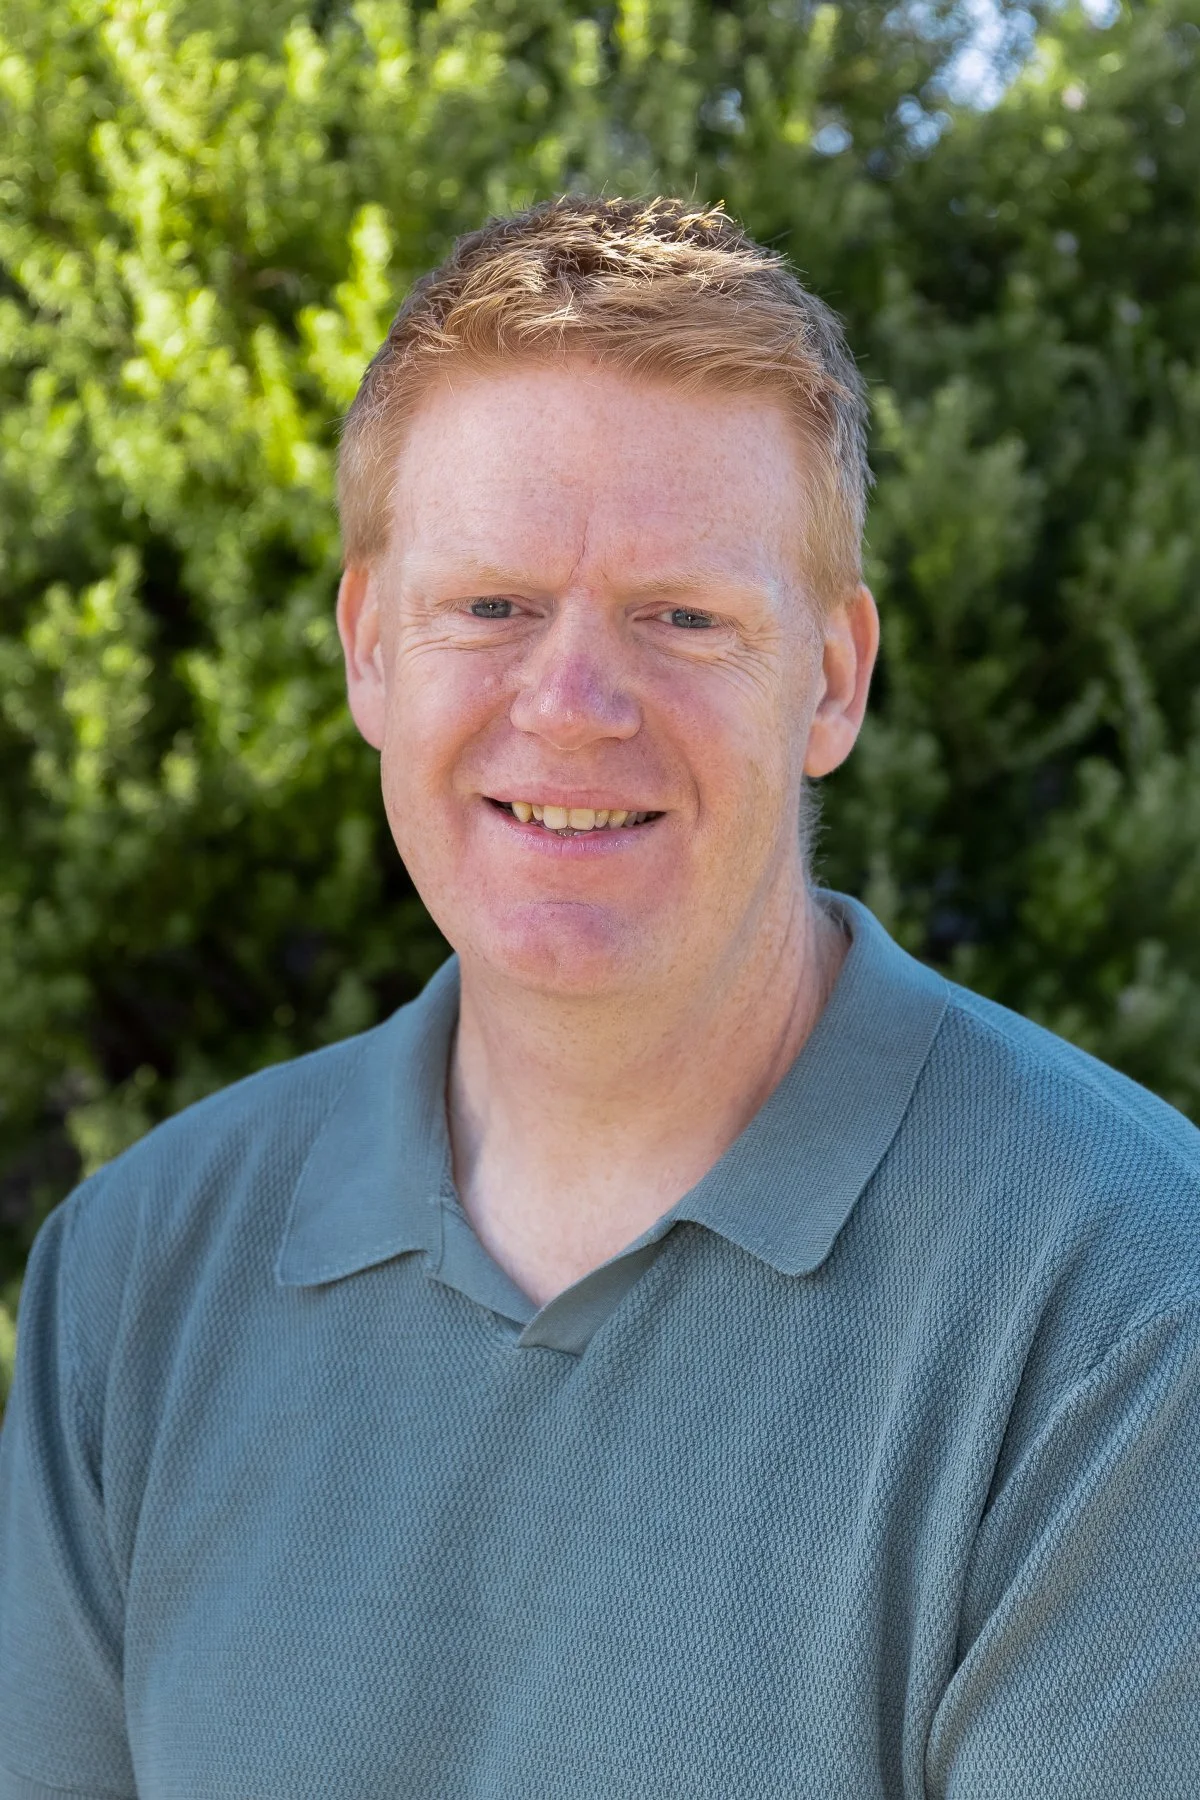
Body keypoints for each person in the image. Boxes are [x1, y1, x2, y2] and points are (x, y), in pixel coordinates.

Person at [1, 195, 1197, 1800]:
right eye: (490, 606)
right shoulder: (133, 1277)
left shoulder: (1127, 1304)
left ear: (832, 679)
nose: (568, 708)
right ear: (370, 650)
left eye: (682, 618)